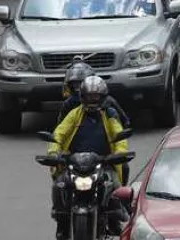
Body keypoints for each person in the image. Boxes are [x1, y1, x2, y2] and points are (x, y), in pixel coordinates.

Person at [48, 76, 130, 240]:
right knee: (59, 185)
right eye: (89, 96)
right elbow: (59, 133)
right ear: (82, 97)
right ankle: (62, 224)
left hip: (103, 163)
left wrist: (119, 153)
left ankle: (114, 218)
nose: (92, 100)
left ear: (103, 97)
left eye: (96, 96)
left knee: (114, 184)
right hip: (75, 164)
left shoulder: (110, 114)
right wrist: (54, 152)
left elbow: (119, 136)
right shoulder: (74, 114)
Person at [57, 62, 130, 127]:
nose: (78, 87)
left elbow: (123, 123)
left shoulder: (107, 101)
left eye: (81, 83)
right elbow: (61, 125)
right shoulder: (69, 103)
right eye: (75, 84)